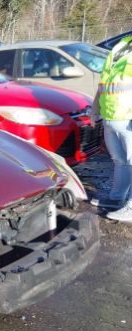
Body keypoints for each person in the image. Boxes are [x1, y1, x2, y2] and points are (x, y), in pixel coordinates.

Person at [90, 35, 132, 222]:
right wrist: (95, 109)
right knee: (119, 160)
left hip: (128, 117)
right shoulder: (122, 44)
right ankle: (116, 198)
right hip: (111, 116)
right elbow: (104, 83)